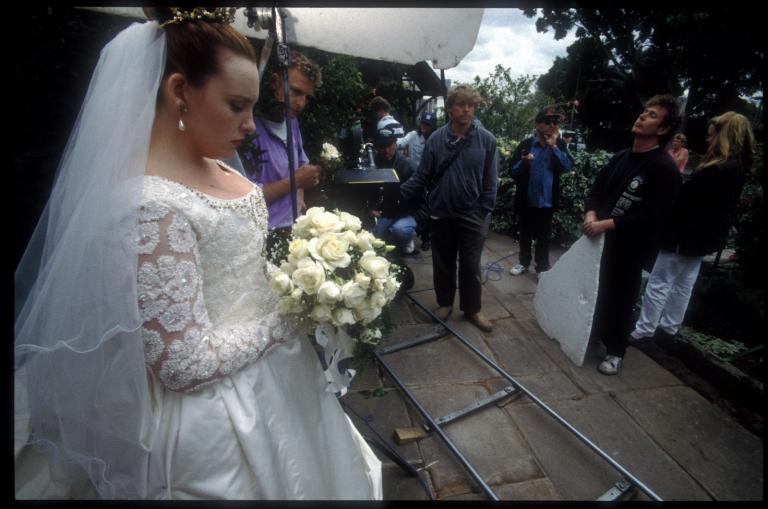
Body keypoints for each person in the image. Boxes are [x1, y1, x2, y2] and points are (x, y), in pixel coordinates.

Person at [14, 9, 381, 499]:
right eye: (236, 106)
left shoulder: (219, 166)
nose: (250, 125)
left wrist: (303, 277)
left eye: (251, 107)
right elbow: (182, 361)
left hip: (278, 375)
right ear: (180, 90)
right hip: (218, 417)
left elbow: (236, 263)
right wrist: (291, 318)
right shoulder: (149, 207)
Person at [630, 112, 754, 343]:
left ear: (722, 137)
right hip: (704, 239)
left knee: (659, 282)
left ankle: (645, 330)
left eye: (711, 135)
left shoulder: (714, 170)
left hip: (683, 236)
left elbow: (685, 204)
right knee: (683, 284)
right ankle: (669, 328)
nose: (707, 140)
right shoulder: (736, 168)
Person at [582, 94, 682, 376]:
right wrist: (591, 214)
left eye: (651, 115)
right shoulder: (621, 157)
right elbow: (596, 192)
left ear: (662, 130)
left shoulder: (664, 169)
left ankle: (615, 351)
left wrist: (607, 224)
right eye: (643, 112)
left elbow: (652, 218)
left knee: (621, 298)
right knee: (596, 292)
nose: (641, 116)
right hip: (599, 244)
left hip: (630, 249)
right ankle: (592, 334)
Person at [400, 84, 499, 333]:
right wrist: (395, 195)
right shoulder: (436, 139)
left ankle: (472, 309)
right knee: (442, 262)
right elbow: (422, 176)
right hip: (441, 212)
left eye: (471, 105)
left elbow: (491, 180)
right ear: (450, 108)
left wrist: (483, 210)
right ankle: (445, 304)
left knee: (471, 265)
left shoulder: (486, 140)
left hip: (472, 215)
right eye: (461, 104)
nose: (467, 110)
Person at [237, 50, 322, 262]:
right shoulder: (248, 129)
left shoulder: (292, 122)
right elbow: (244, 199)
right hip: (260, 237)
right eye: (295, 91)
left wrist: (300, 196)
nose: (301, 103)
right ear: (274, 82)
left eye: (306, 97)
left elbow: (301, 166)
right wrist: (294, 182)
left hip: (291, 232)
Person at [508, 106, 574, 277]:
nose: (553, 126)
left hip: (547, 200)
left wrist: (554, 148)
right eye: (548, 122)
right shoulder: (526, 145)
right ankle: (523, 262)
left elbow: (567, 167)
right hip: (527, 199)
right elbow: (512, 172)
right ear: (537, 124)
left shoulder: (558, 144)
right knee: (525, 233)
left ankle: (542, 267)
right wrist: (524, 162)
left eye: (555, 122)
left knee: (544, 236)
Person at [370, 126, 427, 255]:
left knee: (399, 230)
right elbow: (373, 189)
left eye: (389, 145)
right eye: (381, 146)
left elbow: (409, 196)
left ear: (395, 143)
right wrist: (373, 207)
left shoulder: (408, 165)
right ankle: (392, 232)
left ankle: (407, 237)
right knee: (375, 234)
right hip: (391, 209)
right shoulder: (377, 161)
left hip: (411, 210)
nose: (385, 150)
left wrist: (383, 209)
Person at [401, 111, 438, 250]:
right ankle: (409, 236)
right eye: (423, 123)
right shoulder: (412, 135)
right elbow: (401, 143)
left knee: (428, 208)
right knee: (410, 206)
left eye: (428, 124)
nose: (424, 126)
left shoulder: (435, 139)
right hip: (414, 178)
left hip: (430, 180)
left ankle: (426, 238)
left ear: (433, 126)